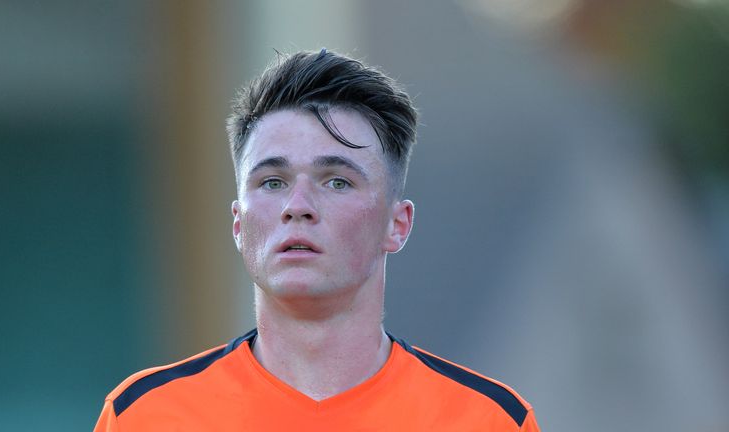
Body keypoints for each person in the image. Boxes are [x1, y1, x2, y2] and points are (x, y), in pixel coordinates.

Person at [94, 49, 540, 431]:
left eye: (336, 182)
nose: (298, 205)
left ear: (396, 224)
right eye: (272, 182)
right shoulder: (147, 415)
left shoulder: (486, 420)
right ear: (238, 224)